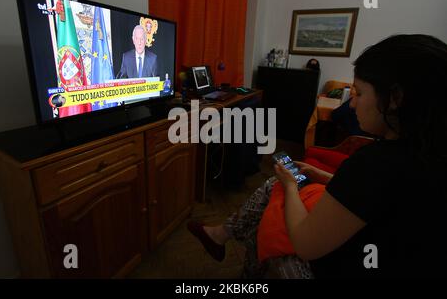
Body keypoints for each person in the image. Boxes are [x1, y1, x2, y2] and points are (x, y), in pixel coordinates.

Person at [188, 34, 447, 278]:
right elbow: (374, 199)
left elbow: (305, 245)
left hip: (330, 266)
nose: (352, 103)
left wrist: (291, 186)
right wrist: (319, 175)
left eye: (358, 93)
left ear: (395, 98)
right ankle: (220, 235)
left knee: (268, 219)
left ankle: (238, 263)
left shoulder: (376, 163)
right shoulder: (425, 154)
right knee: (276, 186)